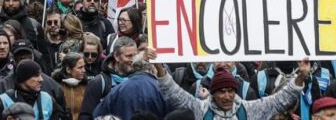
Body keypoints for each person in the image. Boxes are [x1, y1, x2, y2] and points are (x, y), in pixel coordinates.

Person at [152, 49, 311, 120]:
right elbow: (174, 93)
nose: (227, 96)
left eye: (230, 91)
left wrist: (301, 76)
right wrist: (158, 66)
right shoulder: (200, 109)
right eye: (222, 91)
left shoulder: (250, 110)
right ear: (213, 93)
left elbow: (280, 99)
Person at [79, 37, 139, 120]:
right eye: (129, 56)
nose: (133, 60)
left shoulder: (139, 80)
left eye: (135, 56)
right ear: (116, 56)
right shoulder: (99, 82)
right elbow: (86, 116)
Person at [0, 59, 64, 120]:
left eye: (40, 75)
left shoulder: (47, 99)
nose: (41, 79)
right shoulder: (1, 102)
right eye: (36, 75)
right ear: (24, 78)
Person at [51, 53, 87, 120]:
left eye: (84, 67)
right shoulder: (55, 87)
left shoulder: (87, 86)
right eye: (80, 67)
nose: (84, 70)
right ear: (68, 70)